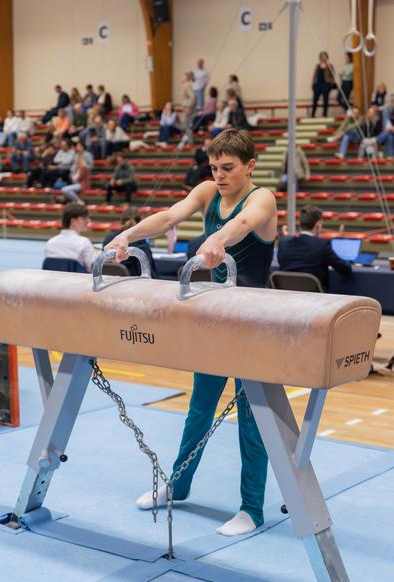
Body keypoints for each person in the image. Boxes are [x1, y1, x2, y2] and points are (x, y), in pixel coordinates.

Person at [105, 129, 277, 536]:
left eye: (228, 168)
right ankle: (178, 486)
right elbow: (168, 217)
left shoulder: (262, 198)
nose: (219, 175)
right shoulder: (207, 191)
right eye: (214, 167)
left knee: (253, 420)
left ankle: (251, 509)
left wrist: (216, 237)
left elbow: (245, 225)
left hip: (255, 324)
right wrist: (126, 236)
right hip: (217, 320)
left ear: (250, 166)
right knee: (199, 408)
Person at [277, 205, 352, 290]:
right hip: (315, 299)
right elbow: (344, 268)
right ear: (318, 225)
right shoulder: (321, 244)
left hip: (287, 296)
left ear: (300, 223)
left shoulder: (284, 243)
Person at [103, 205, 157, 278]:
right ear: (140, 221)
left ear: (122, 220)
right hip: (134, 285)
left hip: (109, 282)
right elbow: (149, 273)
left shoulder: (109, 239)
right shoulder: (140, 242)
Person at [45, 202, 97, 272]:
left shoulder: (50, 243)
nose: (88, 220)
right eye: (85, 218)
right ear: (73, 221)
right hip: (78, 281)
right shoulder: (84, 242)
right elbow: (94, 269)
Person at [311, 51, 336, 117]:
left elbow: (333, 76)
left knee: (325, 99)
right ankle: (313, 114)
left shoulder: (329, 66)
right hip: (318, 84)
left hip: (326, 84)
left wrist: (330, 83)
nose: (323, 58)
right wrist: (313, 84)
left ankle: (324, 114)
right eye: (321, 56)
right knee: (315, 100)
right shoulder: (317, 66)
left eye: (324, 56)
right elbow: (315, 75)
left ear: (327, 57)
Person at [178, 72, 196, 147]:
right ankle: (188, 140)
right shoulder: (184, 85)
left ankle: (190, 142)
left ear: (186, 78)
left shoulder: (187, 85)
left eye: (183, 76)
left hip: (189, 108)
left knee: (187, 125)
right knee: (185, 125)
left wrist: (188, 108)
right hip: (186, 108)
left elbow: (192, 97)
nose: (181, 78)